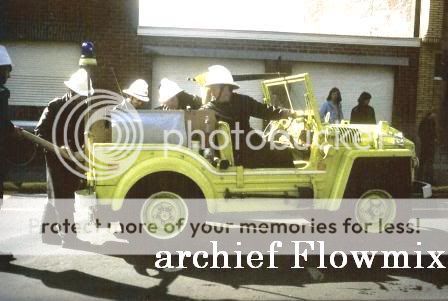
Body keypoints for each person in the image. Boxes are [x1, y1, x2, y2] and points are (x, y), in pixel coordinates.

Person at [35, 68, 93, 245]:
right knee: (62, 195)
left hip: (73, 158)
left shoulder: (83, 108)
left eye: (83, 96)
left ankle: (48, 234)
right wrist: (58, 147)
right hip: (55, 157)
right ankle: (69, 237)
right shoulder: (55, 106)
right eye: (78, 95)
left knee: (59, 194)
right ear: (70, 91)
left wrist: (81, 151)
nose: (81, 99)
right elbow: (39, 132)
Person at [201, 65, 295, 168]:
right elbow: (264, 111)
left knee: (277, 149)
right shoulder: (211, 109)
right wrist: (285, 113)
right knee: (285, 152)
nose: (212, 93)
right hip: (246, 154)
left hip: (245, 151)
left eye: (214, 88)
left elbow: (264, 110)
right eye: (211, 89)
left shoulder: (211, 109)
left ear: (226, 88)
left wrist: (283, 113)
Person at [0, 45, 22, 206]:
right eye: (7, 71)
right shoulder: (2, 93)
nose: (9, 76)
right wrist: (13, 130)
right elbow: (3, 122)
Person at [418, 111, 437, 184]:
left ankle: (423, 177)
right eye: (433, 114)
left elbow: (420, 132)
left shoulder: (428, 122)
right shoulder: (429, 122)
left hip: (426, 145)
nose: (434, 116)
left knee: (425, 162)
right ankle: (427, 178)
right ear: (430, 115)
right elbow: (431, 133)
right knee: (428, 162)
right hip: (428, 145)